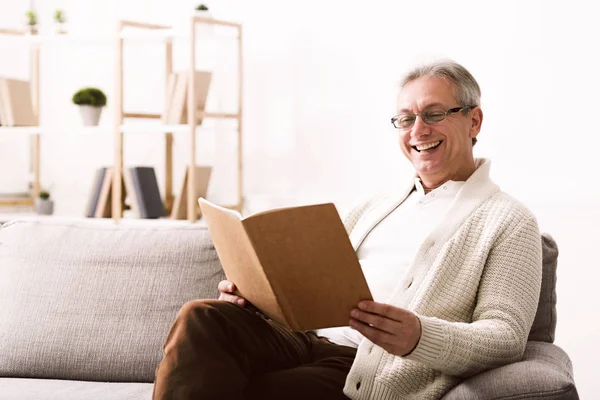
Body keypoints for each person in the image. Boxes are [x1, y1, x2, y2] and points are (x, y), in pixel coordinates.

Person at [152, 60, 543, 400]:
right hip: (304, 341)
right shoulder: (376, 206)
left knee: (260, 390)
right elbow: (307, 289)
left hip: (367, 369)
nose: (417, 130)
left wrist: (420, 336)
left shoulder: (509, 220)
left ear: (474, 120)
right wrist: (260, 297)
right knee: (202, 315)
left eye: (434, 114)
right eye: (406, 119)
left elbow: (505, 336)